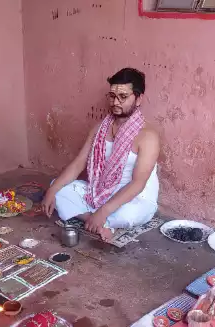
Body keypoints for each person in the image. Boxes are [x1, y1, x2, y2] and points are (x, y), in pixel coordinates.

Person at [42, 68, 160, 241]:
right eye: (112, 96)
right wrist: (51, 191)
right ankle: (99, 222)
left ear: (139, 98)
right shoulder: (100, 128)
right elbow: (78, 164)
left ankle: (98, 218)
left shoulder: (148, 137)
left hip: (133, 197)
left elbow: (138, 184)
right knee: (58, 189)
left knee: (129, 214)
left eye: (123, 96)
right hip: (101, 190)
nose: (116, 102)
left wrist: (104, 210)